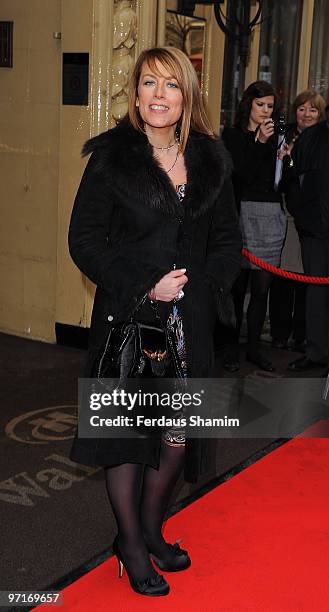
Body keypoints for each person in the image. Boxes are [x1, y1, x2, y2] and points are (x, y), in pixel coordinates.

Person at [68, 46, 241, 596]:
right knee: (124, 435)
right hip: (128, 320)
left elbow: (227, 242)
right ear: (136, 93)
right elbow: (85, 240)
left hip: (189, 325)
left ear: (186, 93)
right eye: (148, 84)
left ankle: (149, 529)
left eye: (170, 84)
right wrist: (145, 284)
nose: (159, 95)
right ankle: (132, 543)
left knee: (175, 435)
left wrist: (206, 284)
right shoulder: (113, 158)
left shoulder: (211, 159)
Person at [222, 81, 286, 372]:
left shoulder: (277, 137)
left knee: (262, 288)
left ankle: (254, 349)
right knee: (237, 287)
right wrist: (257, 142)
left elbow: (278, 182)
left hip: (270, 214)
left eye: (270, 106)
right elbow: (241, 175)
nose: (265, 111)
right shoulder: (234, 136)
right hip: (241, 213)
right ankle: (231, 349)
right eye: (260, 104)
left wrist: (287, 161)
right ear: (248, 104)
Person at [269, 90, 326, 353]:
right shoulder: (292, 137)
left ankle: (306, 339)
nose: (306, 114)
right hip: (297, 221)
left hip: (310, 221)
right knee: (292, 283)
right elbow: (284, 181)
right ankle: (293, 339)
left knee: (310, 286)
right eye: (302, 109)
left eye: (312, 109)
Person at [285, 102, 329, 373]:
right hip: (313, 230)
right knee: (315, 293)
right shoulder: (311, 137)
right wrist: (299, 214)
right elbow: (291, 178)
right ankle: (316, 352)